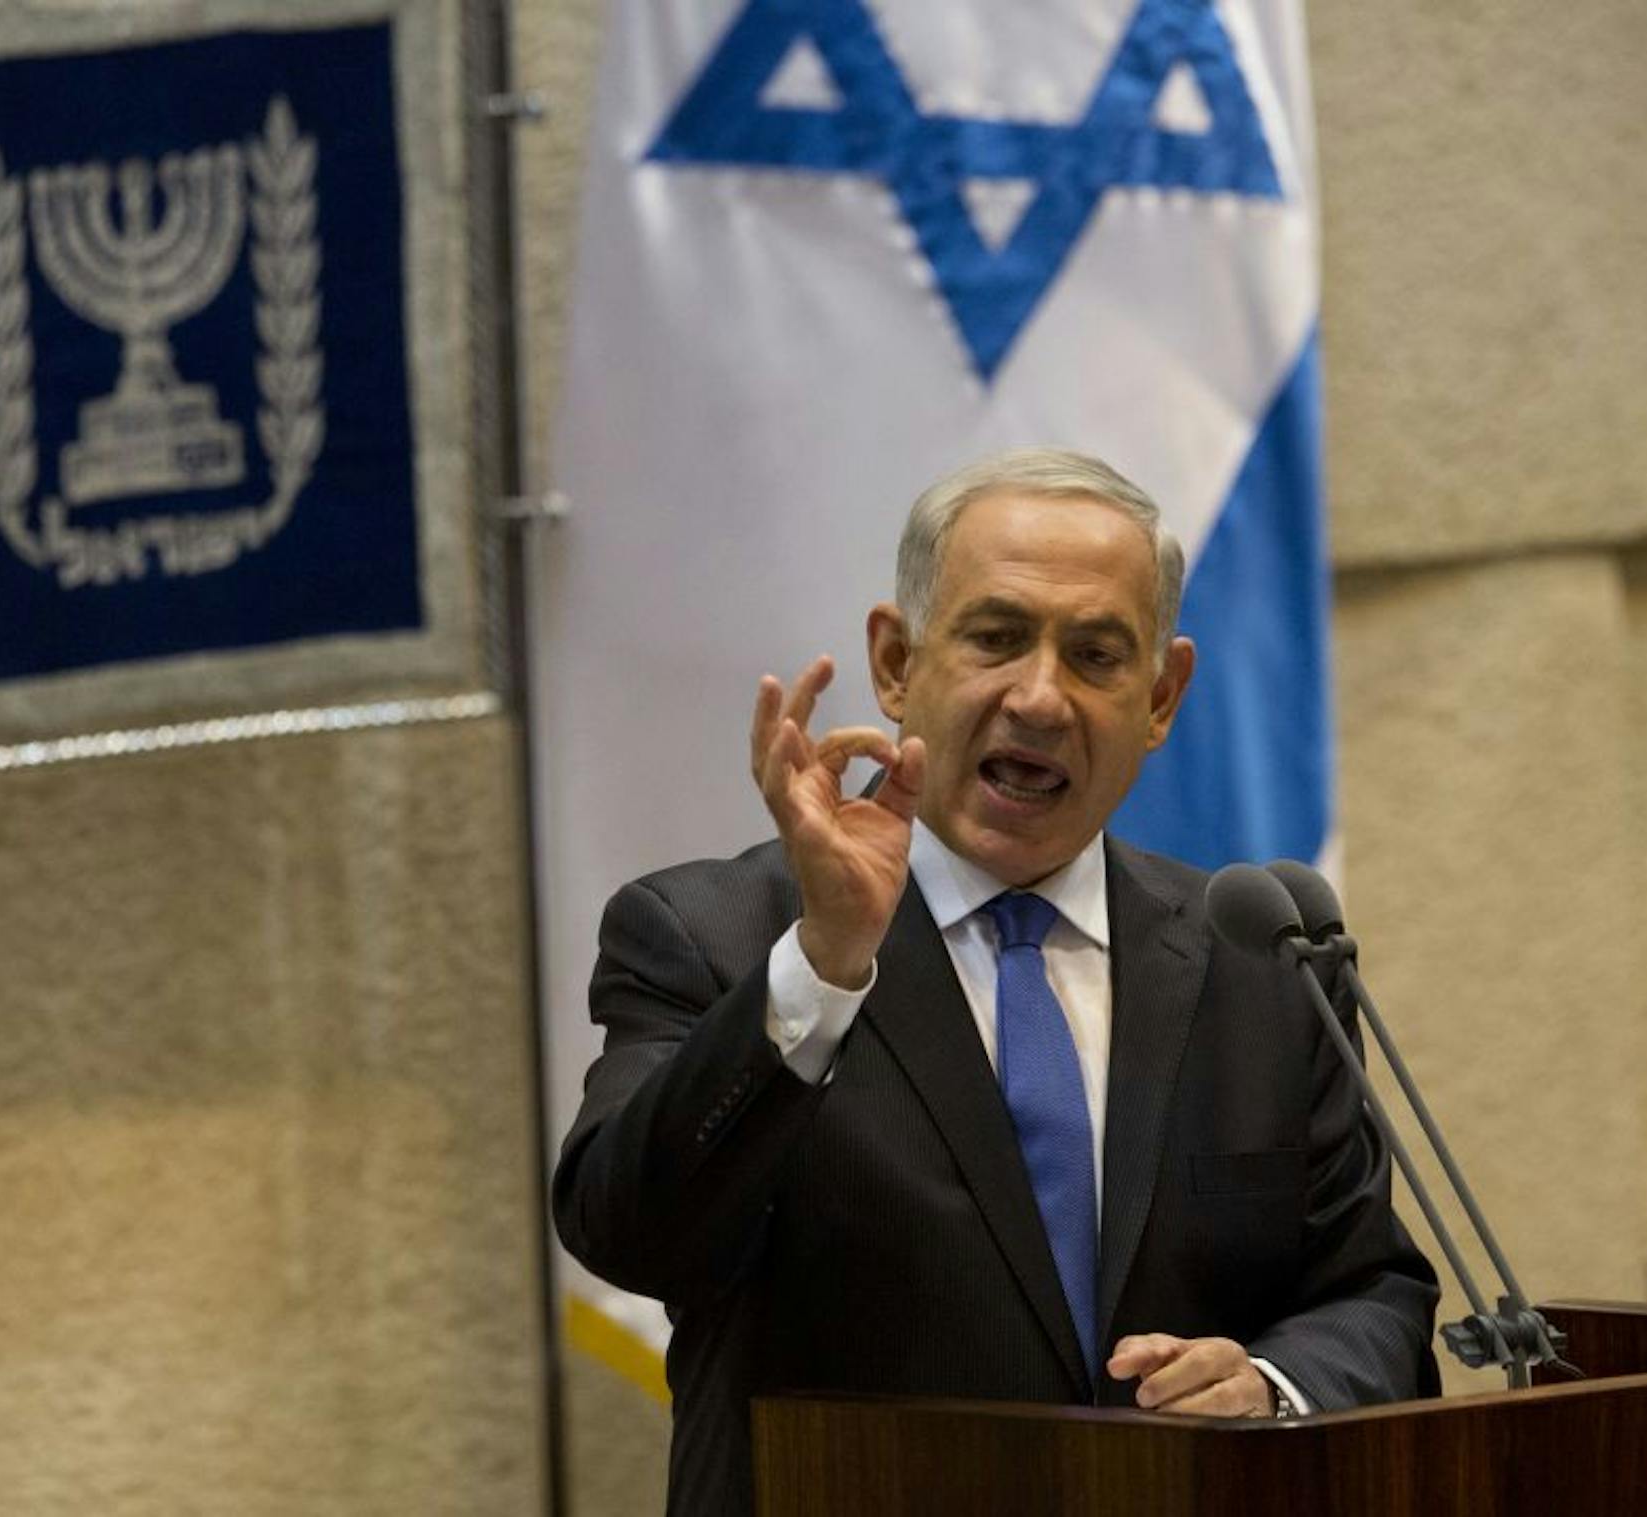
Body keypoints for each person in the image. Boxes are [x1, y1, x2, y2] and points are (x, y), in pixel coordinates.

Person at [552, 448, 1438, 1516]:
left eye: (1098, 654)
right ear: (896, 661)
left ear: (1161, 697)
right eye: (997, 636)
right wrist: (826, 963)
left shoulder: (1261, 957)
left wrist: (1273, 1385)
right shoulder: (711, 936)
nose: (1040, 695)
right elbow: (629, 1231)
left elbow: (1371, 1289)